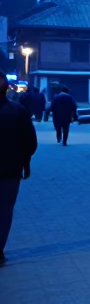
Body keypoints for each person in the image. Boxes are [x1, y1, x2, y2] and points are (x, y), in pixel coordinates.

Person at [0, 95, 37, 265]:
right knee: (4, 211)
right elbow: (30, 141)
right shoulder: (18, 111)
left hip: (10, 169)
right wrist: (26, 163)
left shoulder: (18, 110)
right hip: (10, 169)